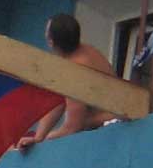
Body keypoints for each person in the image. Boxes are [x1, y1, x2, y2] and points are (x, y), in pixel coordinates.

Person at [14, 13, 116, 150]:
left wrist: (43, 142)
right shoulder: (87, 51)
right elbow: (58, 101)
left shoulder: (75, 71)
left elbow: (73, 127)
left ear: (51, 42)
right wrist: (39, 137)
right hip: (108, 124)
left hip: (110, 129)